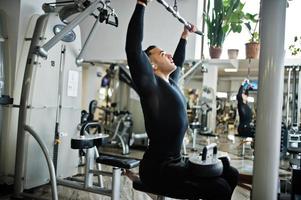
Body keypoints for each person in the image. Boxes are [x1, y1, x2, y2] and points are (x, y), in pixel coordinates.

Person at [125, 1, 239, 199]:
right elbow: (133, 50)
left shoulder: (172, 84)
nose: (168, 54)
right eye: (162, 54)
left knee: (230, 172)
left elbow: (177, 61)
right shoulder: (150, 86)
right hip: (158, 169)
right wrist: (141, 4)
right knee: (219, 188)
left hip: (176, 163)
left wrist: (184, 36)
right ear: (151, 65)